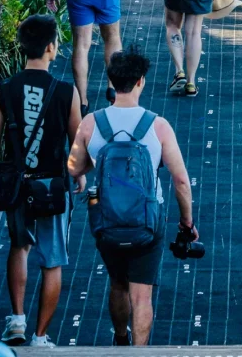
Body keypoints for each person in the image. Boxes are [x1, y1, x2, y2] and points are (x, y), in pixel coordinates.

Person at [68, 47, 197, 346]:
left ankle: (120, 338)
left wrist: (95, 161)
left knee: (117, 283)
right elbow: (180, 179)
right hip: (148, 221)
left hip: (107, 220)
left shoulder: (91, 124)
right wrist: (186, 224)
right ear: (141, 81)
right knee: (142, 294)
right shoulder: (157, 126)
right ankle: (139, 354)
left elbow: (73, 166)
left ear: (111, 82)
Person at [0, 14, 82, 348]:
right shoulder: (67, 91)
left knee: (19, 246)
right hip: (51, 186)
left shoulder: (4, 89)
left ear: (23, 47)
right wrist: (77, 175)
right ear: (51, 48)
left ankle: (18, 320)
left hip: (18, 187)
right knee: (52, 262)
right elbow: (76, 141)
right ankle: (40, 337)